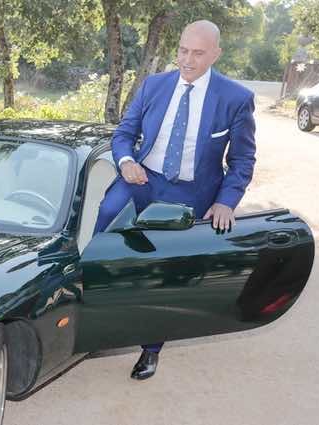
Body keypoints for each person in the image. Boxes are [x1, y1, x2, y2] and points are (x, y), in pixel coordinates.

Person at [93, 20, 256, 380]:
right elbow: (124, 134)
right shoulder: (154, 85)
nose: (187, 59)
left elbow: (242, 159)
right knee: (102, 226)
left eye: (197, 53)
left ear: (216, 54)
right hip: (142, 179)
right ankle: (96, 318)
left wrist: (227, 201)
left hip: (190, 193)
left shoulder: (235, 98)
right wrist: (126, 161)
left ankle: (150, 349)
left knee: (169, 272)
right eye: (183, 50)